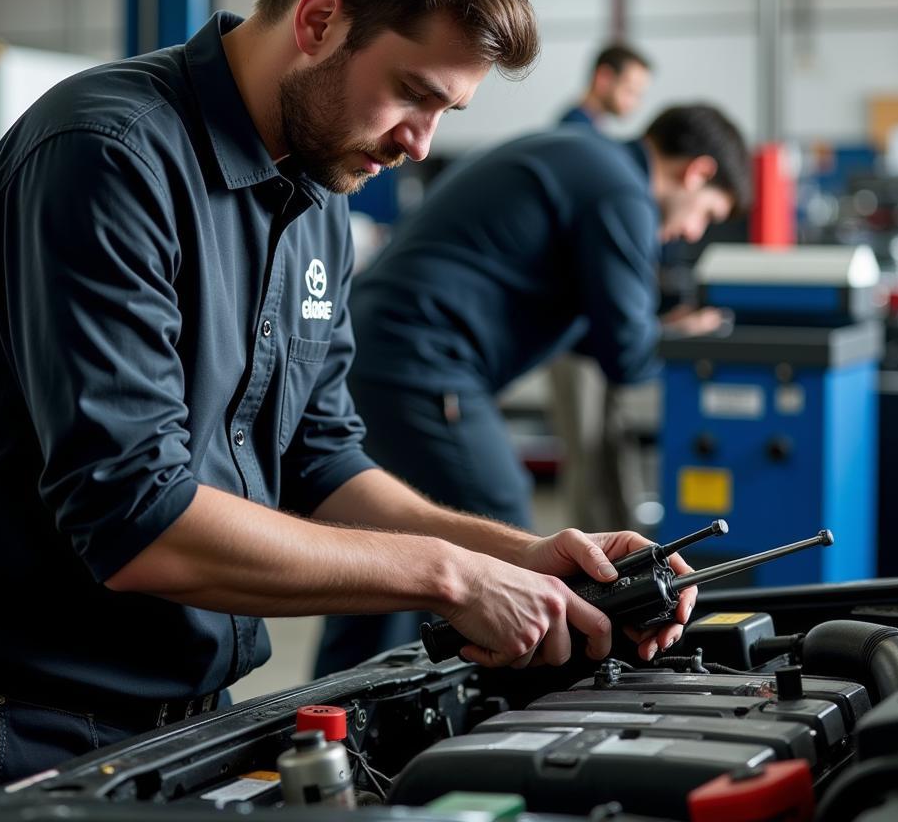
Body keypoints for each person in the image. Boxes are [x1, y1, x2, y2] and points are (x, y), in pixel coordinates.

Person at [0, 0, 695, 812]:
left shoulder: (314, 199)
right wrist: (448, 577)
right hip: (14, 729)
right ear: (318, 20)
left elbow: (320, 460)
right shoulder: (104, 157)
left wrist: (520, 556)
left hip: (192, 719)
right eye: (412, 93)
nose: (421, 144)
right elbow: (134, 519)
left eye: (446, 113)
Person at [314, 103, 749, 677]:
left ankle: (334, 714)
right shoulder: (622, 192)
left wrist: (652, 330)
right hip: (422, 359)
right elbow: (626, 355)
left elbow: (592, 327)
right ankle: (505, 724)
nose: (691, 232)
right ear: (697, 172)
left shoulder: (585, 159)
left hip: (381, 347)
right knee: (511, 536)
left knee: (389, 547)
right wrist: (680, 340)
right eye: (706, 214)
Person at [560, 42, 652, 135]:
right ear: (604, 78)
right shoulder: (576, 131)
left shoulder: (588, 127)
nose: (636, 104)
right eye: (630, 91)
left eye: (639, 95)